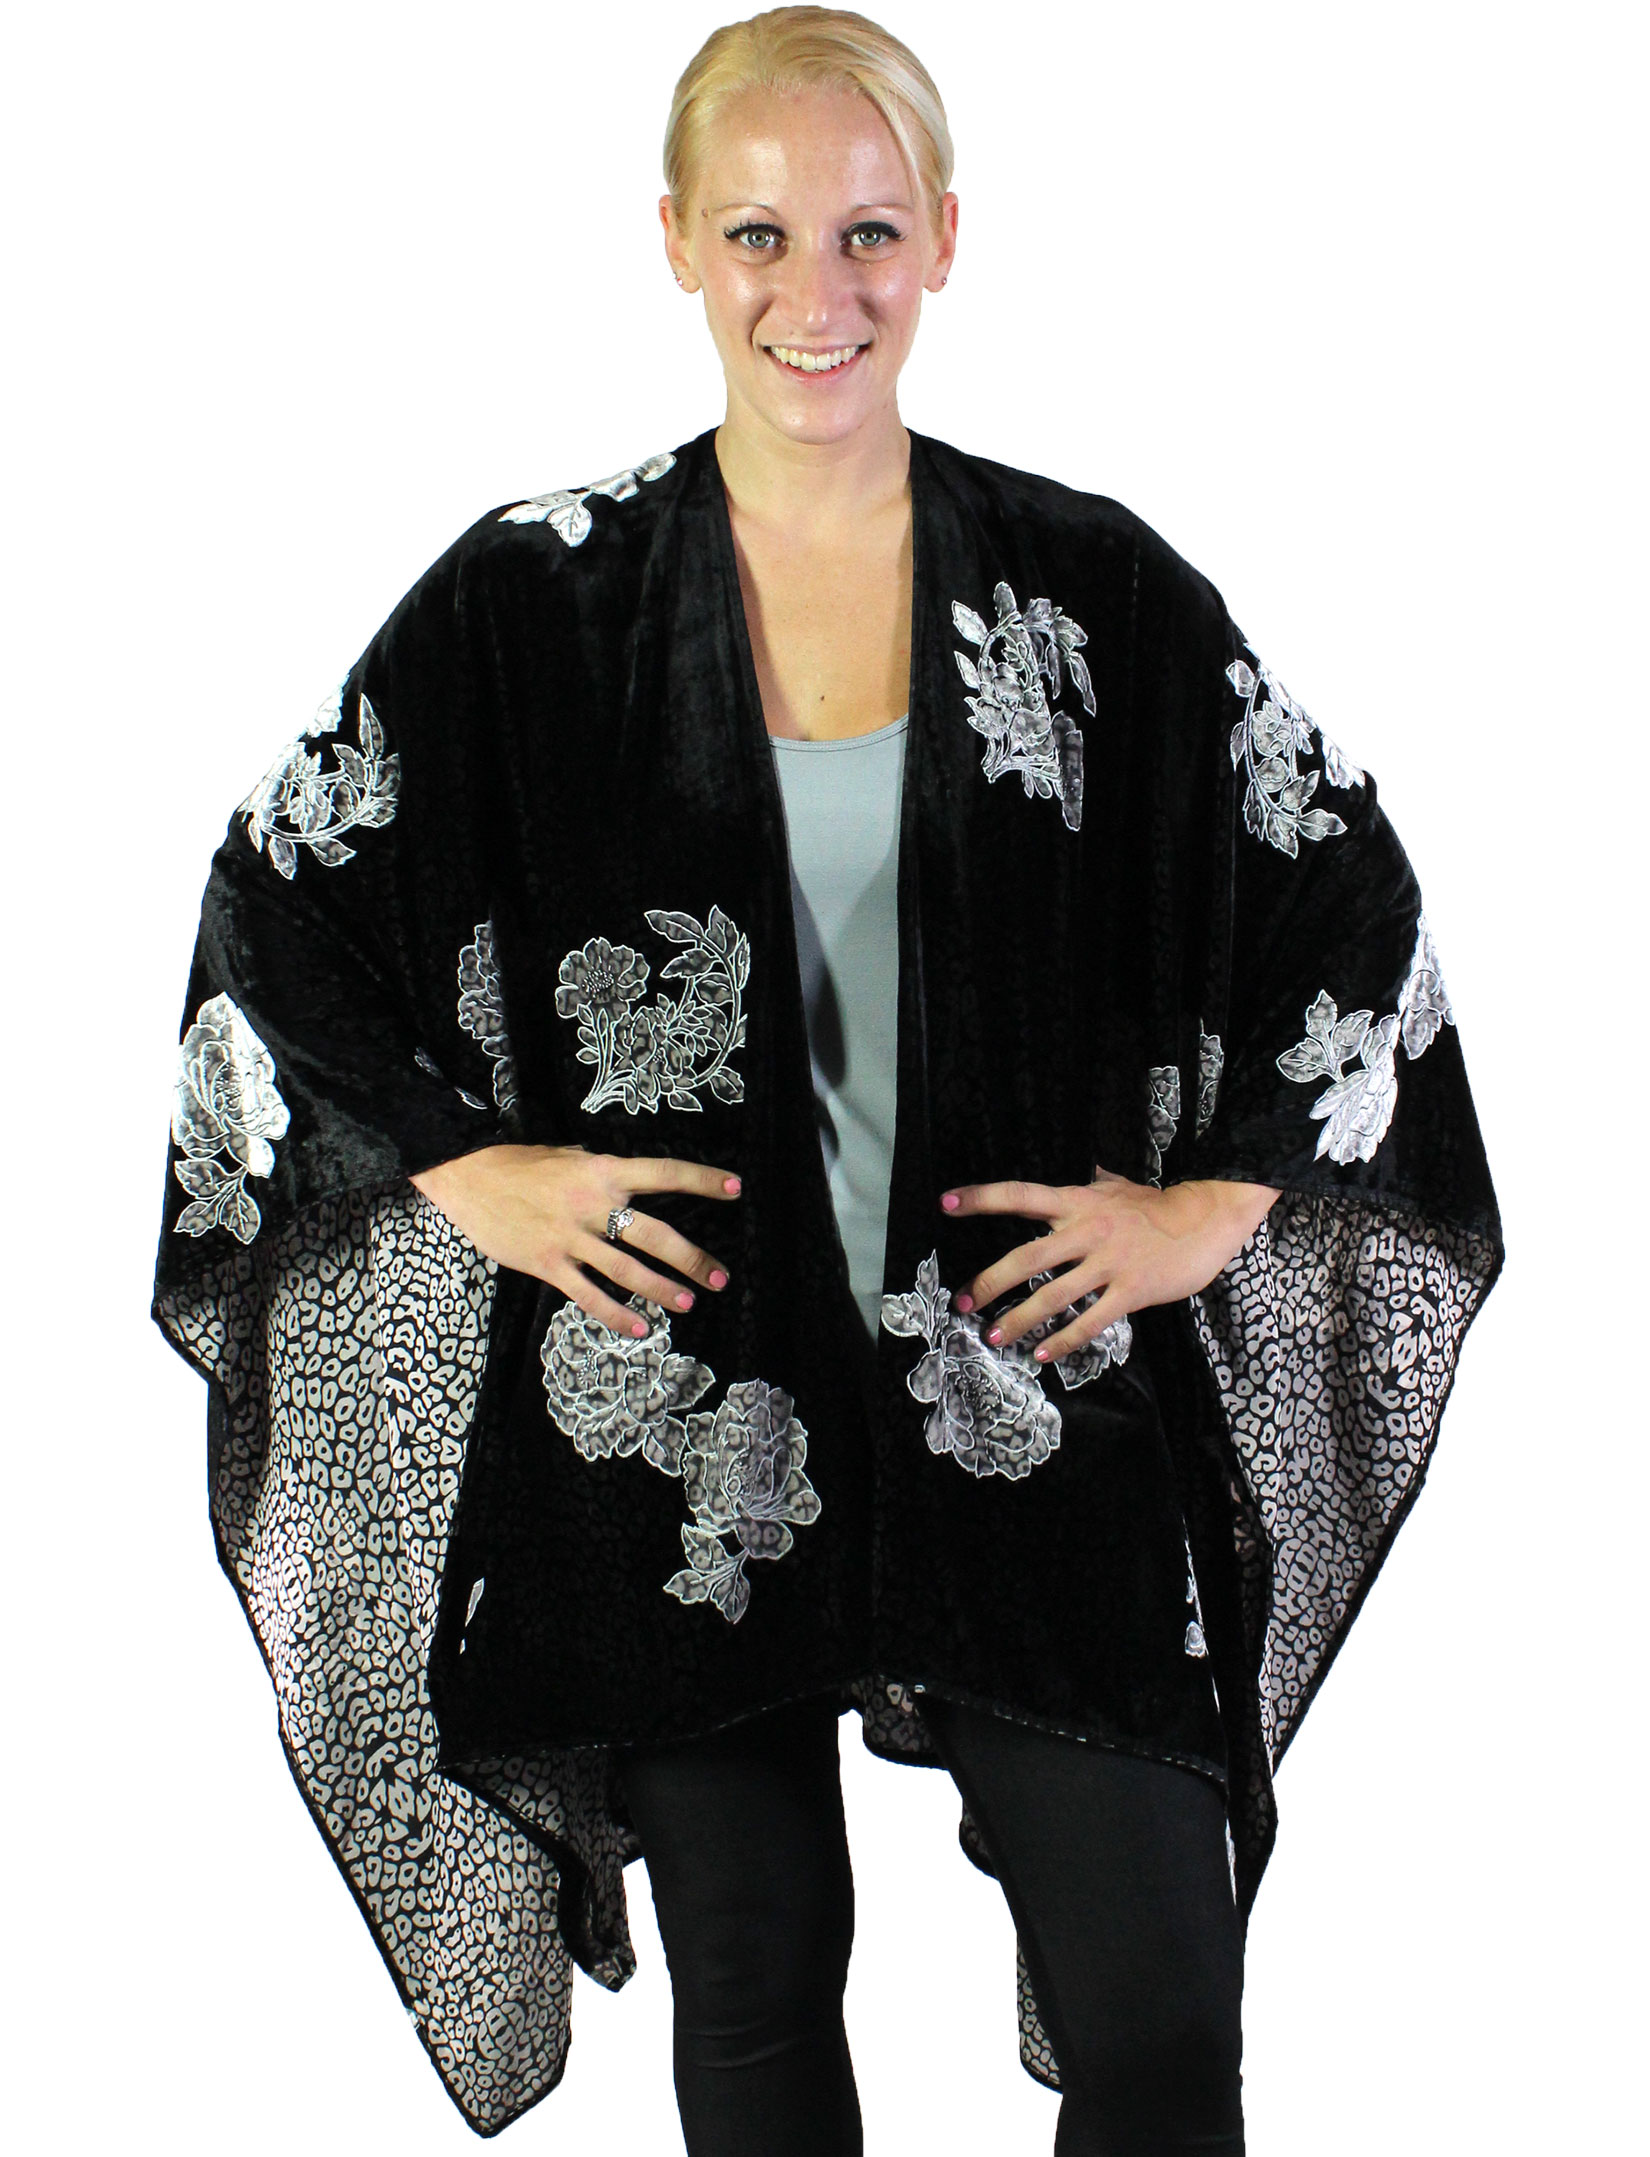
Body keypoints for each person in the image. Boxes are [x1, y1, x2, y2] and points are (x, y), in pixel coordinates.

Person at [152, 8, 1502, 2152]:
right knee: (760, 1976)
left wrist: (1205, 1211)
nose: (818, 290)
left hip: (1025, 1365)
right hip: (676, 1385)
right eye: (760, 232)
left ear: (945, 237)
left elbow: (1341, 894)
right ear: (677, 242)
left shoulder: (1094, 588)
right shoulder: (533, 601)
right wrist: (471, 1169)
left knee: (1160, 2004)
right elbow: (280, 898)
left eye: (868, 231)